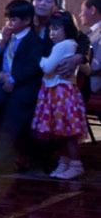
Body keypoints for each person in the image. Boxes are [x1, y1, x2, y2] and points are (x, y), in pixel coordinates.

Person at [0, 0, 44, 174]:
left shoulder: (34, 41)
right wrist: (3, 44)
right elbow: (0, 61)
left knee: (11, 117)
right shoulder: (11, 39)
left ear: (27, 21)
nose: (9, 24)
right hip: (7, 85)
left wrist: (12, 80)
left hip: (24, 88)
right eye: (8, 19)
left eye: (13, 20)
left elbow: (32, 68)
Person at [31, 12, 88, 179]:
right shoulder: (69, 44)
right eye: (51, 29)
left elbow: (48, 67)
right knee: (62, 132)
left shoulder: (63, 46)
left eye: (56, 29)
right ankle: (65, 161)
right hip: (58, 92)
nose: (52, 33)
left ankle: (76, 164)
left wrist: (40, 59)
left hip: (61, 94)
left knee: (68, 133)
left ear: (67, 29)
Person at [79, 0, 101, 94]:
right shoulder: (90, 32)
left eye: (82, 10)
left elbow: (96, 65)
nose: (79, 14)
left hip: (94, 88)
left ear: (92, 10)